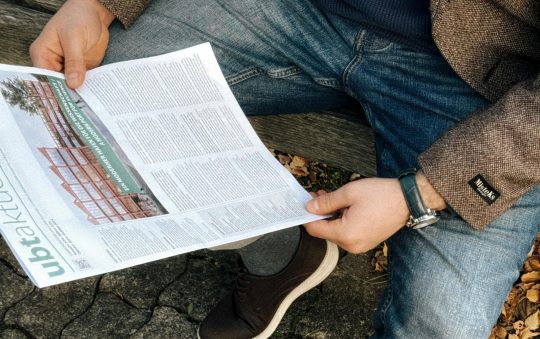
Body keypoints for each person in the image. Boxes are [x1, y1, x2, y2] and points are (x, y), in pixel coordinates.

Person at [30, 0, 540, 337]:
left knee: (441, 326)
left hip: (481, 84)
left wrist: (423, 191)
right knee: (72, 104)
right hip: (292, 9)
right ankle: (282, 249)